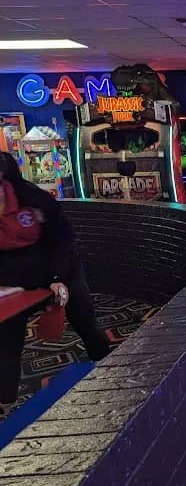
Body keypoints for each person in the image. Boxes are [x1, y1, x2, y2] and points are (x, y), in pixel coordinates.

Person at [0, 152, 110, 416]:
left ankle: (109, 368)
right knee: (6, 342)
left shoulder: (33, 200)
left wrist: (57, 280)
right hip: (13, 281)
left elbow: (63, 240)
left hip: (58, 269)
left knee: (85, 321)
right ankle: (5, 404)